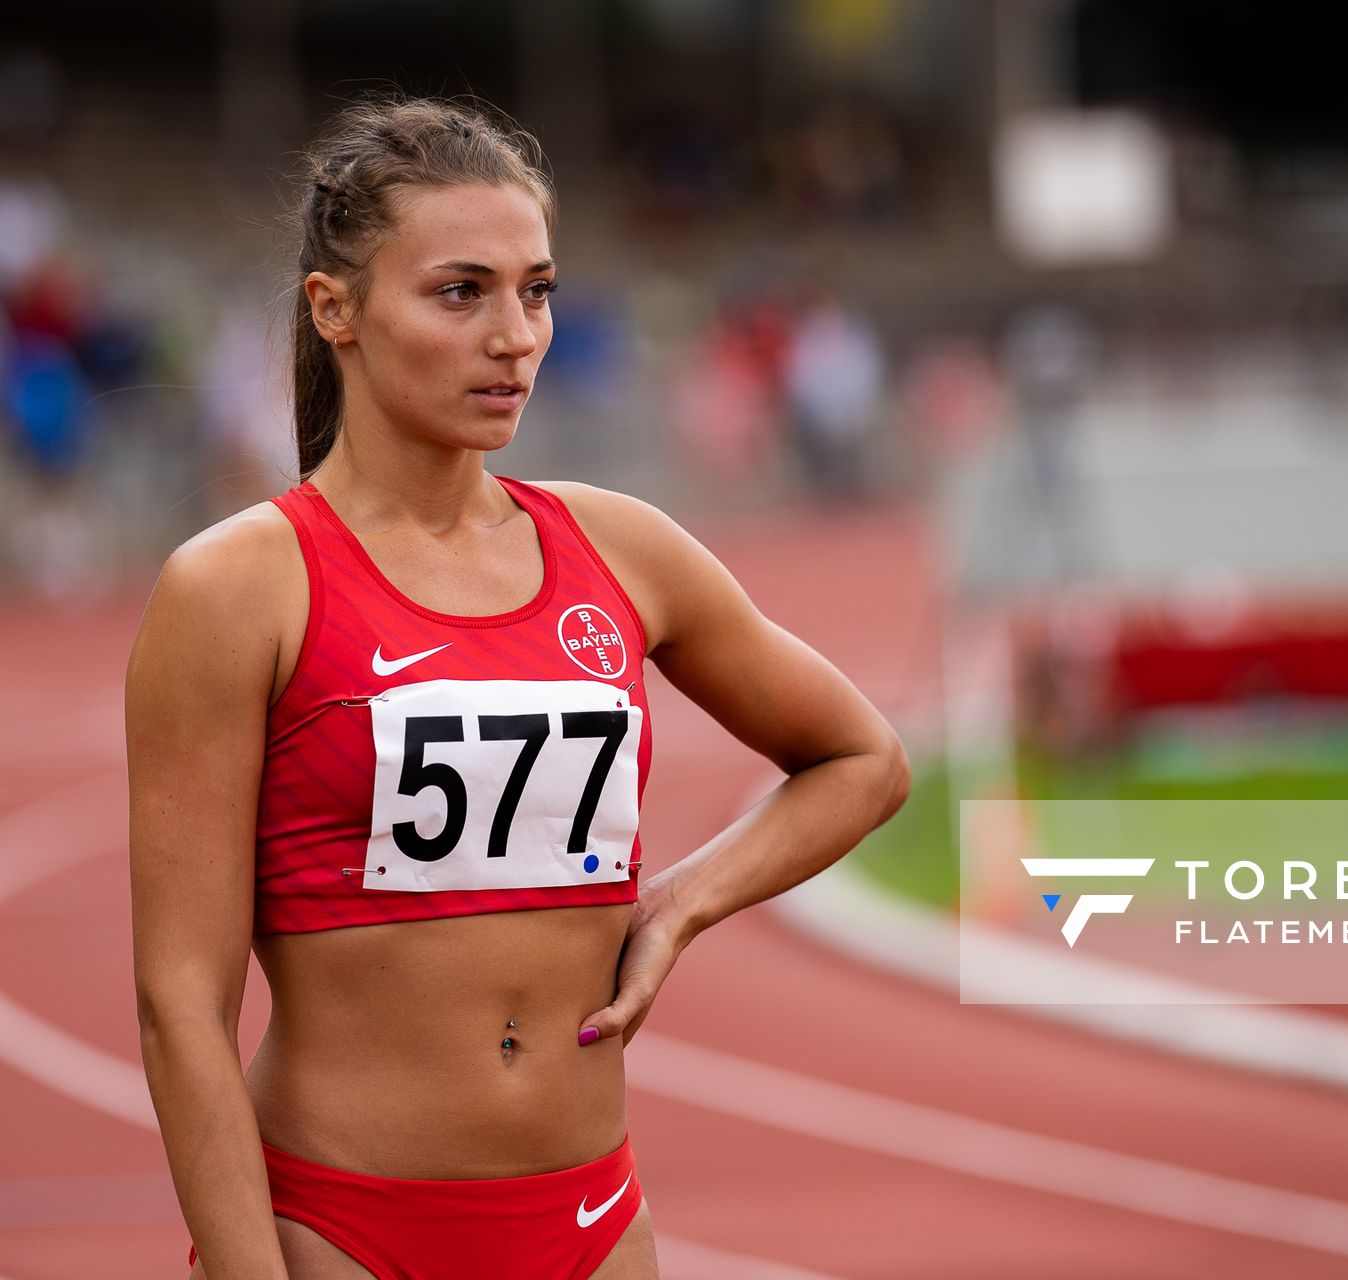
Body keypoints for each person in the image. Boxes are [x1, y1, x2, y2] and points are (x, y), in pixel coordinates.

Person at [126, 97, 910, 1280]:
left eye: (536, 290)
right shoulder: (239, 585)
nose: (516, 336)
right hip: (339, 1225)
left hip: (591, 1222)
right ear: (333, 308)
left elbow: (864, 758)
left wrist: (680, 902)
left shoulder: (622, 547)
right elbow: (180, 1000)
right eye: (462, 291)